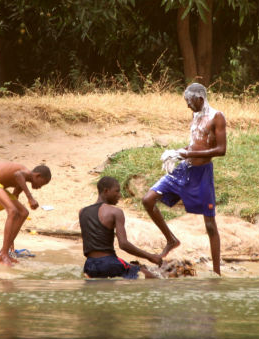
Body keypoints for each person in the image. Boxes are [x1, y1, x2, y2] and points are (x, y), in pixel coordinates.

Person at [143, 83, 227, 275]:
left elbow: (221, 150)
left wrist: (185, 153)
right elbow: (194, 144)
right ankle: (171, 239)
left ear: (200, 99)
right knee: (148, 199)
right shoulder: (195, 115)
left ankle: (216, 273)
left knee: (210, 225)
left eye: (189, 102)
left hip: (202, 174)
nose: (187, 106)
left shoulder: (217, 117)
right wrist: (177, 153)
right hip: (184, 169)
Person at [81, 176, 164, 279]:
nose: (119, 195)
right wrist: (150, 257)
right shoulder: (115, 212)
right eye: (117, 191)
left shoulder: (82, 212)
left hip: (89, 265)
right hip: (109, 263)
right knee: (152, 278)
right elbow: (123, 244)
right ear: (106, 191)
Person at [0, 161, 51, 266]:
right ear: (38, 176)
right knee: (12, 211)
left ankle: (3, 252)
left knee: (23, 212)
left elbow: (14, 196)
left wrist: (10, 240)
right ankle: (4, 254)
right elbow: (18, 174)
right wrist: (30, 198)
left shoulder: (22, 183)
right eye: (43, 183)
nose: (41, 187)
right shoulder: (25, 173)